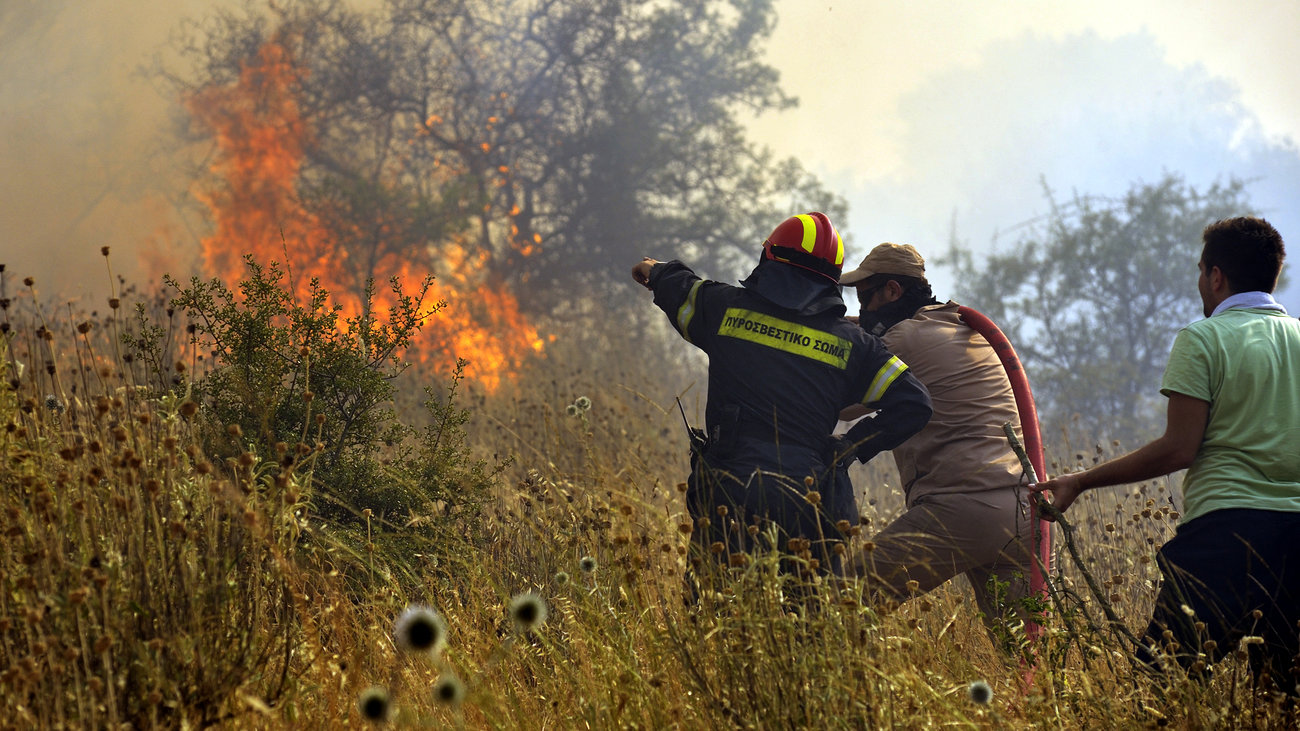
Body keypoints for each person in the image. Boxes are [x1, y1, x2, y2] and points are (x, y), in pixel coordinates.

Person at [1033, 216, 1300, 693]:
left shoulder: (1204, 338)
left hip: (1225, 536)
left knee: (1160, 690)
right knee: (1283, 698)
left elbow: (1179, 448)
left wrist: (1082, 480)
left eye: (1200, 270)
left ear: (1215, 276)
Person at [631, 212, 932, 579]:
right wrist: (850, 447)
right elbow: (914, 404)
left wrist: (655, 270)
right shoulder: (857, 347)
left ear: (769, 259)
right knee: (804, 615)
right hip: (811, 503)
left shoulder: (723, 308)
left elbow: (682, 286)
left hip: (730, 498)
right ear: (833, 279)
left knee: (715, 607)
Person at [839, 243, 1040, 634]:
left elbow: (844, 406)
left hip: (961, 509)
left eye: (865, 298)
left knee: (841, 602)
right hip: (1021, 511)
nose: (863, 309)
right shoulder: (960, 327)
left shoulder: (903, 340)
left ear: (892, 291)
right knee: (1025, 651)